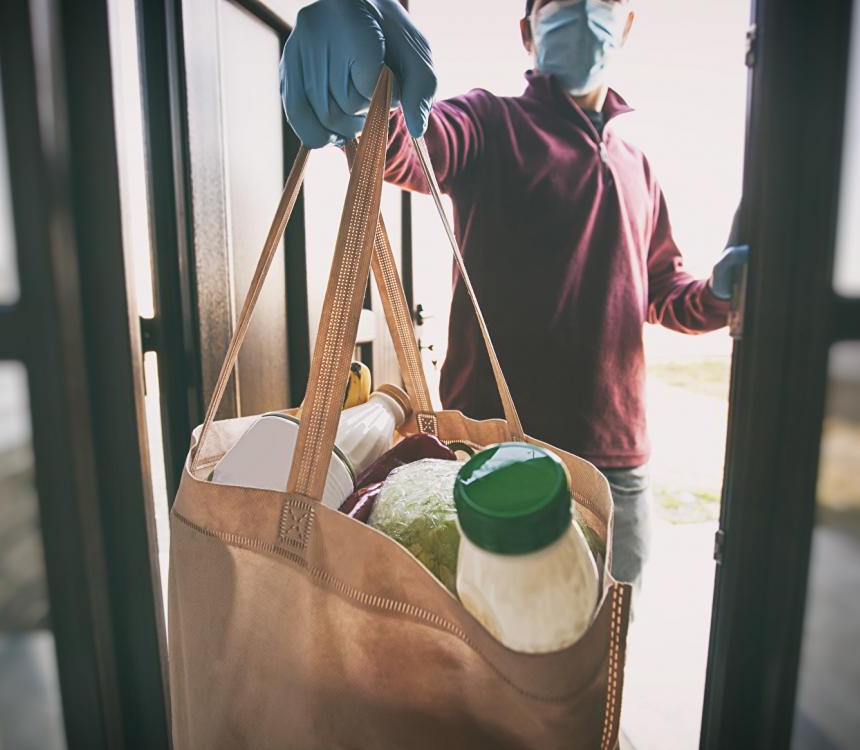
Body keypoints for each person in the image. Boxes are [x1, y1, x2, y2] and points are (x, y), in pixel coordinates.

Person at [279, 0, 748, 589]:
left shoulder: (639, 167)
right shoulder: (490, 123)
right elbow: (410, 147)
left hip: (617, 462)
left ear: (626, 25)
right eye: (559, 3)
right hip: (496, 449)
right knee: (488, 657)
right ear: (528, 32)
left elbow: (663, 293)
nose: (583, 14)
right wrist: (370, 87)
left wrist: (721, 295)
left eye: (600, 4)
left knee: (604, 650)